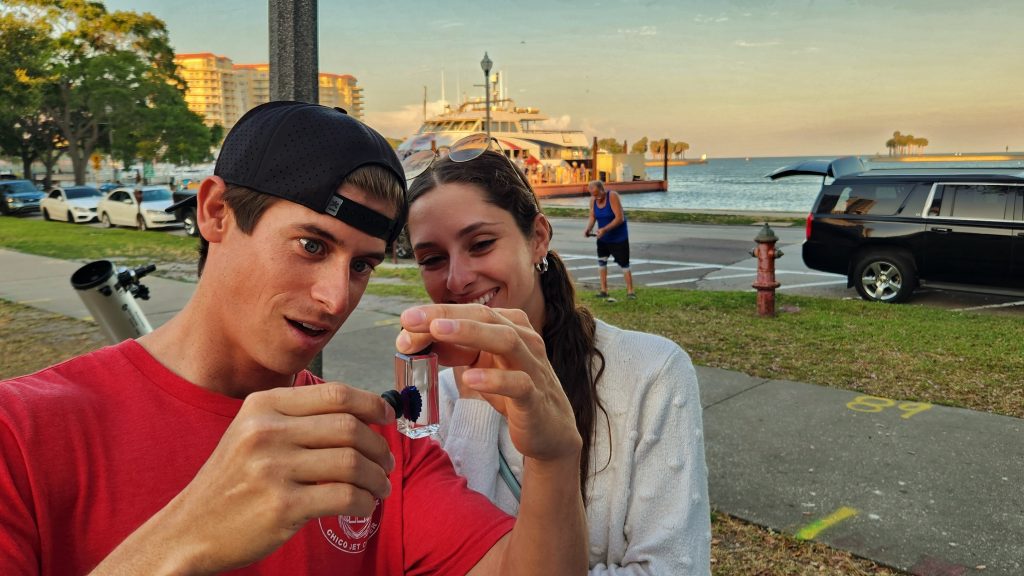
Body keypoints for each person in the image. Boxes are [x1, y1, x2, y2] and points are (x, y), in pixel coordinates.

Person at [0, 102, 587, 575]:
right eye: (311, 245)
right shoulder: (21, 436)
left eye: (362, 266)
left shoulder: (373, 448)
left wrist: (555, 459)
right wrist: (184, 540)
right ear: (216, 213)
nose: (336, 299)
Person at [404, 139, 711, 575]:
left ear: (538, 239)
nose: (457, 279)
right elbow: (425, 551)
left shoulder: (653, 372)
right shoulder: (435, 385)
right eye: (433, 259)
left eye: (481, 244)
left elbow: (675, 568)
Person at [584, 179, 635, 300]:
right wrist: (588, 229)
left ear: (602, 190)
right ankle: (603, 290)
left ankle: (630, 291)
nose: (595, 197)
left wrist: (605, 229)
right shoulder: (593, 200)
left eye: (596, 194)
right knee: (602, 262)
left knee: (624, 264)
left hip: (619, 237)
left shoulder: (612, 196)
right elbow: (593, 216)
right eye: (592, 194)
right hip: (603, 238)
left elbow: (620, 218)